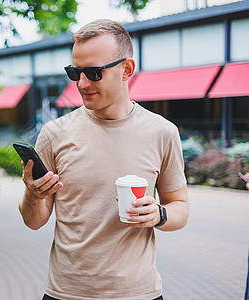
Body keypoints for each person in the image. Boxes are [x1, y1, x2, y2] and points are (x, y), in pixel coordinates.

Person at [19, 19, 189, 300]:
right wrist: (32, 193)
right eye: (75, 72)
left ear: (126, 70)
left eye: (94, 72)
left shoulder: (162, 132)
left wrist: (158, 214)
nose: (82, 83)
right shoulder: (54, 134)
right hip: (66, 293)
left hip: (139, 293)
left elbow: (180, 207)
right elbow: (34, 221)